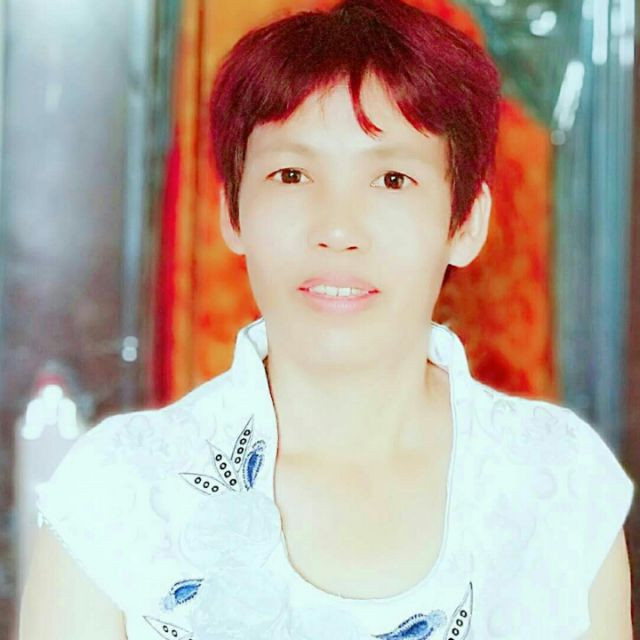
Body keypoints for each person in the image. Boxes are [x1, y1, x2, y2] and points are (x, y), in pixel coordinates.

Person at [20, 0, 635, 638]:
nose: (338, 229)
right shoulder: (117, 496)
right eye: (292, 174)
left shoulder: (561, 486)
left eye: (392, 179)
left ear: (466, 223)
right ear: (232, 211)